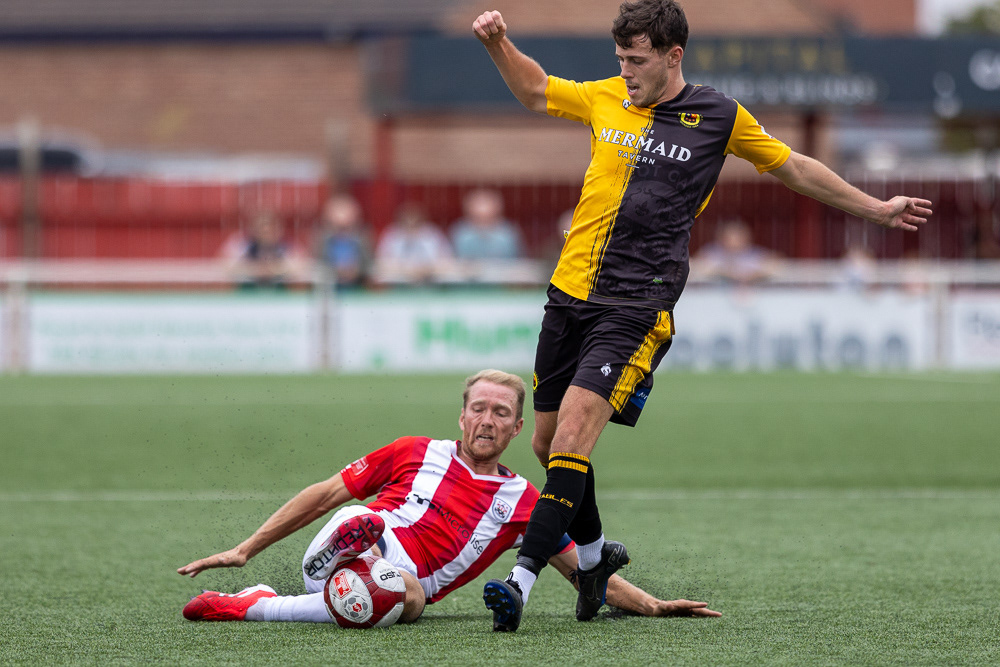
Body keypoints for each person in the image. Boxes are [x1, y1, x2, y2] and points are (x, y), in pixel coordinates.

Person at [472, 0, 932, 632]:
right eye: (620, 60)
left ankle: (521, 583)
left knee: (575, 436)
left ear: (673, 55)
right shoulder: (606, 97)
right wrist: (498, 42)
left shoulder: (719, 115)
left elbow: (793, 167)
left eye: (636, 61)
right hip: (568, 294)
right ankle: (600, 556)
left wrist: (876, 209)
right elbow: (532, 91)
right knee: (548, 444)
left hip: (637, 305)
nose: (626, 71)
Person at [177, 370, 719, 627]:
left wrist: (653, 604)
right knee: (354, 515)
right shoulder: (413, 450)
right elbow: (323, 494)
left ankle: (250, 605)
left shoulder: (527, 501)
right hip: (357, 541)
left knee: (401, 599)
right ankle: (339, 551)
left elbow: (587, 573)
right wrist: (246, 547)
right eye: (478, 408)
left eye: (500, 413)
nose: (487, 419)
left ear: (517, 429)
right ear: (461, 416)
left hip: (387, 591)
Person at [219, 211, 305, 289]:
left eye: (271, 229)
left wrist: (273, 270)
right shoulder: (240, 243)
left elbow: (301, 267)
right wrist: (255, 270)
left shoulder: (288, 245)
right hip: (247, 292)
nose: (266, 232)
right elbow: (225, 265)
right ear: (253, 229)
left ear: (279, 229)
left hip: (280, 293)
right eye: (262, 229)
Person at [374, 201, 453, 284]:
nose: (411, 225)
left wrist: (426, 269)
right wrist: (406, 270)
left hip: (431, 282)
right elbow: (380, 263)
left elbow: (447, 261)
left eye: (415, 222)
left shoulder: (433, 234)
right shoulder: (391, 234)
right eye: (407, 221)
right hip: (397, 283)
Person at [694, 219, 779, 286]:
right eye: (729, 238)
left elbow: (775, 264)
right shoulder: (712, 252)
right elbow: (696, 265)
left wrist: (752, 276)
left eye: (738, 238)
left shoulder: (753, 253)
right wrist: (727, 273)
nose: (733, 242)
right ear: (721, 238)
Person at [316, 194, 372, 290]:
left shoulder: (363, 239)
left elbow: (369, 263)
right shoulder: (322, 239)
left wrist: (356, 270)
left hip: (358, 287)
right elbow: (318, 263)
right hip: (330, 288)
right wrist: (335, 271)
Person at [450, 188, 524, 260]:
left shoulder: (508, 233)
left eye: (487, 219)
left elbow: (518, 261)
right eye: (478, 218)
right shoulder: (461, 233)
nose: (482, 225)